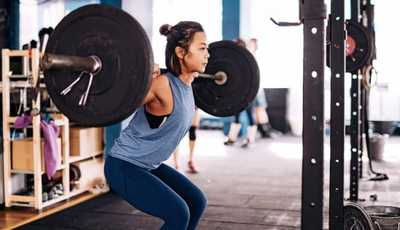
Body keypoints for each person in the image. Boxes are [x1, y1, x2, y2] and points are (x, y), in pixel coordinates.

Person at [104, 21, 209, 230]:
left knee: (197, 202)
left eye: (208, 49)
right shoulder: (161, 84)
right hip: (123, 165)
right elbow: (117, 103)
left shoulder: (188, 84)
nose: (208, 54)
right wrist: (141, 78)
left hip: (148, 165)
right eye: (202, 48)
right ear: (181, 51)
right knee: (178, 213)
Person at [224, 38, 257, 148]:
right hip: (238, 94)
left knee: (249, 116)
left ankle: (250, 139)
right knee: (236, 116)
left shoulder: (249, 59)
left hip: (249, 94)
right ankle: (232, 139)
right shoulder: (235, 60)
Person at [173, 108, 201, 173]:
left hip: (194, 105)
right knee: (178, 132)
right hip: (181, 105)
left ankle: (190, 160)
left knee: (192, 130)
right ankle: (176, 163)